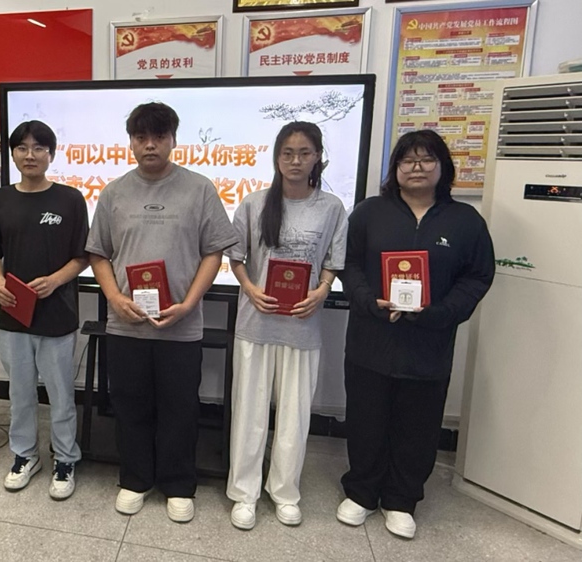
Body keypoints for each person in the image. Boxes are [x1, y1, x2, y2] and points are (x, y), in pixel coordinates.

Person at [337, 129, 494, 539]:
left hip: (429, 343)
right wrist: (368, 301)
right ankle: (361, 491)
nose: (417, 167)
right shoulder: (369, 213)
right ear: (396, 169)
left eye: (426, 159)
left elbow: (477, 277)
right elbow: (348, 265)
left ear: (443, 167)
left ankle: (402, 499)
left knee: (419, 425)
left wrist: (442, 313)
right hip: (372, 338)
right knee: (366, 418)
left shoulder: (465, 221)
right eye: (408, 160)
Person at [86, 102, 238, 522]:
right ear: (131, 142)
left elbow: (213, 252)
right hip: (126, 324)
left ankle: (178, 484)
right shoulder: (114, 192)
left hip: (181, 325)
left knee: (180, 407)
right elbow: (98, 254)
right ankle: (135, 480)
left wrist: (190, 303)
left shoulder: (199, 189)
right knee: (130, 404)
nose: (150, 145)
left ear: (173, 139)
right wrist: (114, 298)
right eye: (141, 137)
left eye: (159, 137)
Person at [225, 122, 347, 530]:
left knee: (295, 416)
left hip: (302, 325)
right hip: (256, 323)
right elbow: (236, 258)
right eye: (288, 153)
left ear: (317, 158)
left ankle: (284, 492)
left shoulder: (331, 208)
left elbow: (332, 261)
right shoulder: (254, 203)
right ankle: (244, 493)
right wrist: (250, 289)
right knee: (249, 413)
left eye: (304, 153)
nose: (295, 161)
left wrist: (322, 291)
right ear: (277, 158)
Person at [0, 120, 89, 500]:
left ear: (51, 154)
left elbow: (82, 257)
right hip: (13, 314)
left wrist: (56, 280)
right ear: (12, 154)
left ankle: (65, 457)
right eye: (22, 148)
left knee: (60, 393)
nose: (30, 155)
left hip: (56, 314)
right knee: (20, 392)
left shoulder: (70, 199)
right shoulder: (0, 199)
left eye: (39, 147)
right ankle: (25, 455)